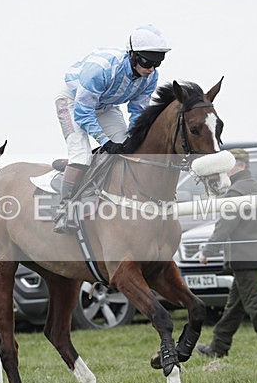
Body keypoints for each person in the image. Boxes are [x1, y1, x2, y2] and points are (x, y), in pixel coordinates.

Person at [53, 24, 170, 234]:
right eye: (147, 61)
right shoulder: (101, 70)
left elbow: (138, 111)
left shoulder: (151, 77)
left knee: (128, 149)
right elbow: (83, 113)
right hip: (73, 102)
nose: (152, 68)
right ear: (133, 55)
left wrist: (133, 138)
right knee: (81, 155)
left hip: (105, 105)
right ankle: (64, 209)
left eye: (157, 62)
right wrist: (106, 142)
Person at [195, 148, 257, 358]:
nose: (223, 171)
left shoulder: (236, 192)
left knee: (256, 304)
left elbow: (225, 226)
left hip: (244, 258)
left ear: (240, 166)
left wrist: (208, 251)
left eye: (228, 166)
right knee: (234, 307)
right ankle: (218, 347)